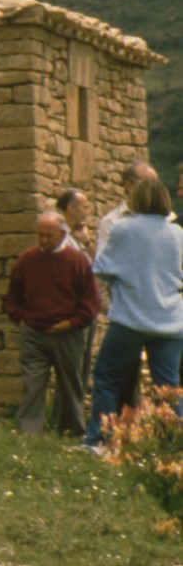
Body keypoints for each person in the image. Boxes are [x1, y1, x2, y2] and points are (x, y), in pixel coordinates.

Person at [86, 177, 182, 448]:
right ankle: (173, 446)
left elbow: (102, 269)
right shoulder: (177, 233)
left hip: (130, 319)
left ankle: (101, 440)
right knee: (169, 389)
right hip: (170, 321)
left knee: (107, 378)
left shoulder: (123, 229)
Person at [6, 210, 101, 437]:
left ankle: (72, 431)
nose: (44, 241)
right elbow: (14, 296)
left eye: (49, 236)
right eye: (40, 235)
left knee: (70, 385)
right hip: (35, 332)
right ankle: (29, 433)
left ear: (62, 234)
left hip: (68, 333)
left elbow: (91, 302)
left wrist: (71, 323)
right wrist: (21, 319)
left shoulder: (78, 261)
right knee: (33, 384)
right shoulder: (27, 260)